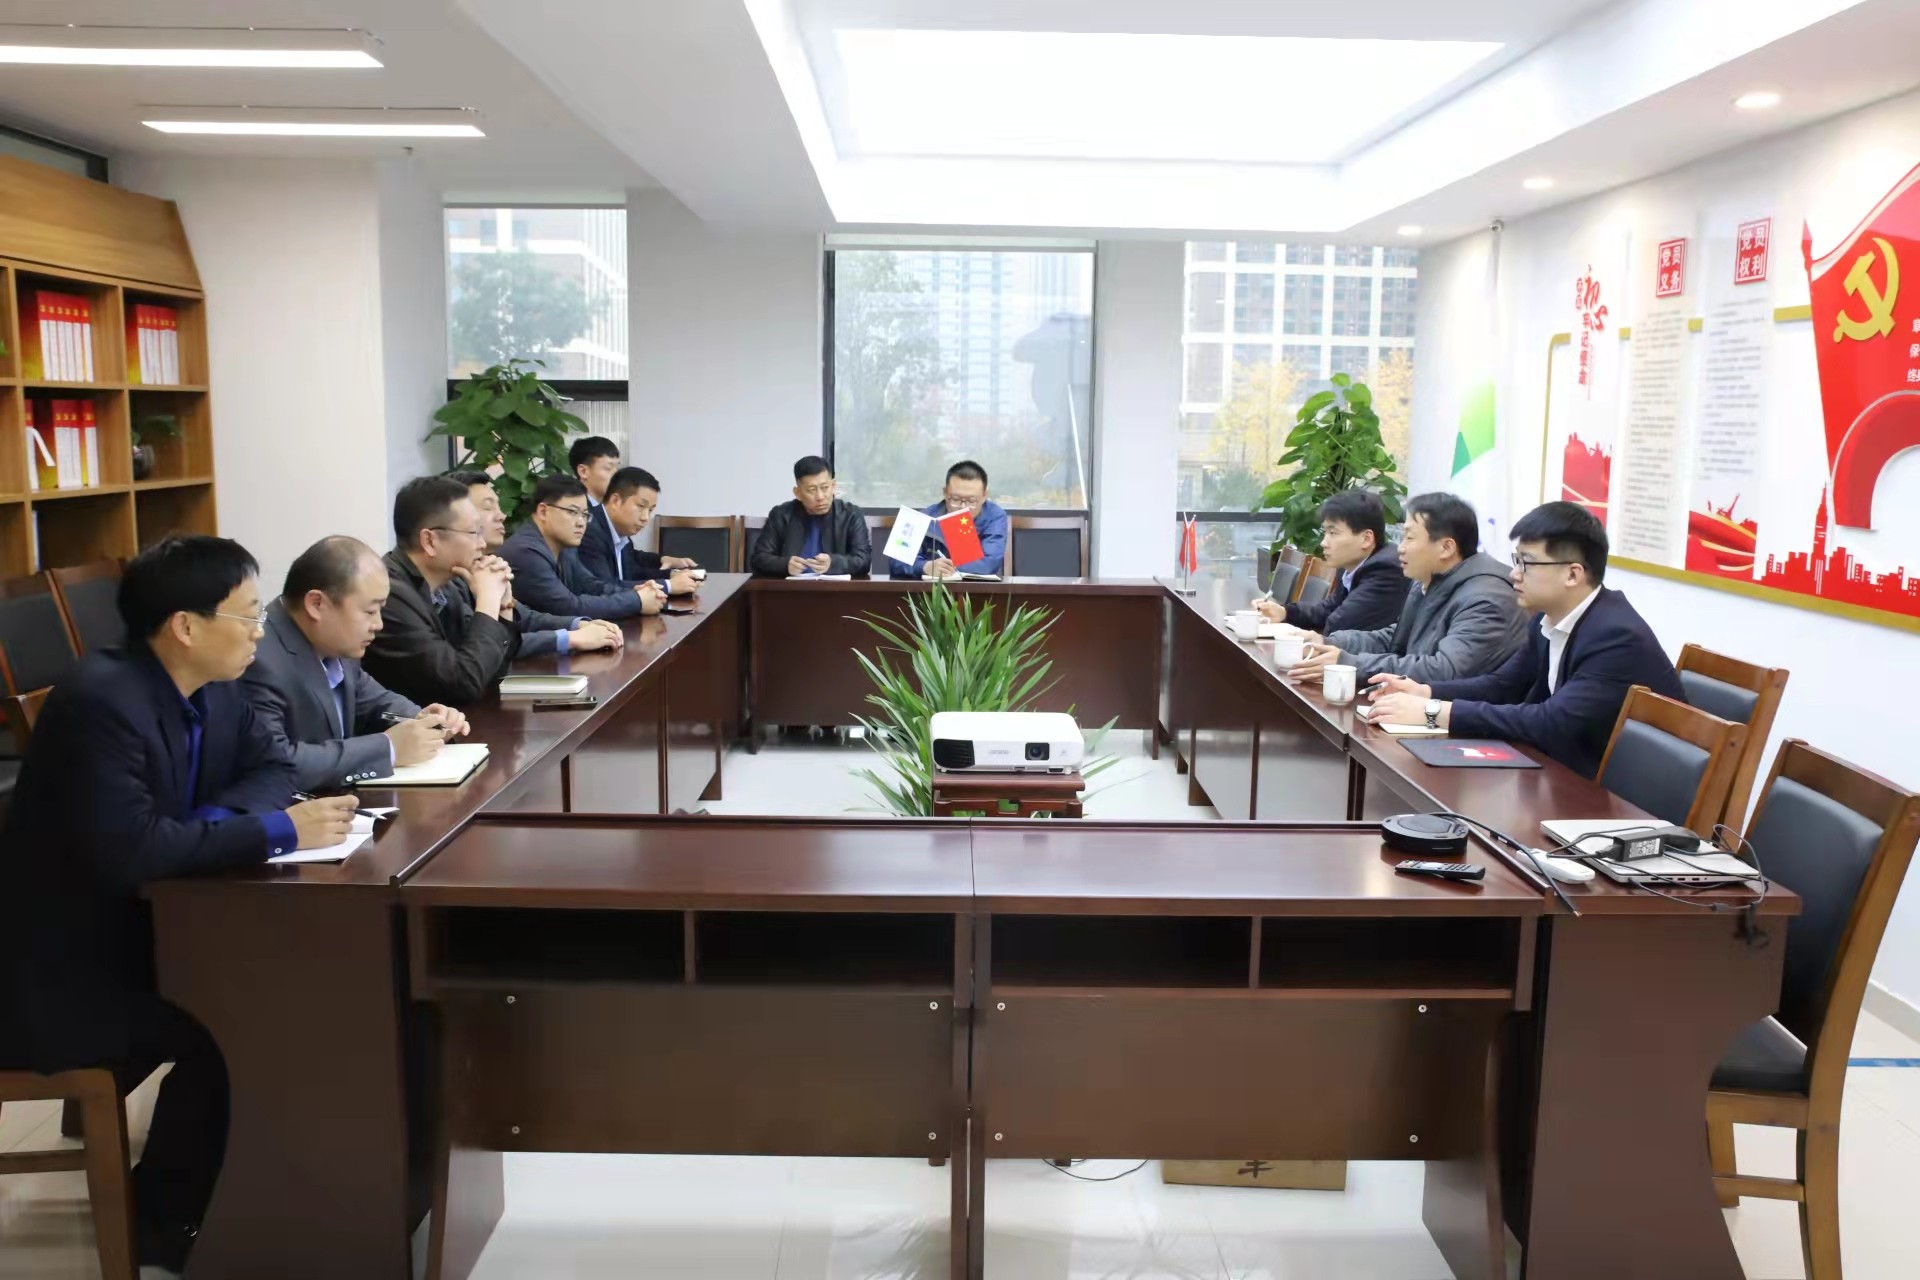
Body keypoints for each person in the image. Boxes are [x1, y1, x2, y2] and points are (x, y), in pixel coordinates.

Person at [0, 535, 358, 1277]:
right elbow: (133, 850)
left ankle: (277, 1195)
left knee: (289, 993)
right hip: (60, 972)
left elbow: (274, 766)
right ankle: (165, 1222)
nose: (260, 632)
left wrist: (206, 828)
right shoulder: (100, 702)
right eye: (248, 615)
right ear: (185, 626)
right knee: (234, 1024)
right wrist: (274, 831)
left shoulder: (218, 683)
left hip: (149, 929)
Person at [1366, 501, 1687, 779]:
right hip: (1562, 771)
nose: (1514, 574)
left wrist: (1433, 711)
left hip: (1617, 799)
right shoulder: (1547, 620)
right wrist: (1424, 691)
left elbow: (1551, 721)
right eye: (1515, 560)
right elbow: (1504, 685)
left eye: (1526, 563)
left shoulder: (1615, 637)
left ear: (1573, 574)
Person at [363, 477, 621, 706]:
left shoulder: (450, 581)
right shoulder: (390, 596)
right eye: (474, 532)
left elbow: (493, 668)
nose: (482, 543)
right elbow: (463, 682)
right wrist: (487, 601)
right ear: (430, 541)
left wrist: (504, 607)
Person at [240, 535, 471, 791]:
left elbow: (375, 702)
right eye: (370, 611)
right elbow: (278, 763)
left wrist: (423, 721)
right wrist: (389, 748)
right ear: (317, 604)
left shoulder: (333, 641)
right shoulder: (257, 657)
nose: (379, 624)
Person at [1285, 492, 1528, 684]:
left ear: (1446, 548)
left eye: (1409, 538)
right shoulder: (1429, 580)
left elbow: (1446, 670)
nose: (1400, 548)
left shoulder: (1486, 599)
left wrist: (1350, 663)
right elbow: (1396, 638)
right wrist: (1330, 643)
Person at [449, 471, 625, 659]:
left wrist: (578, 625)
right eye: (487, 507)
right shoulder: (521, 552)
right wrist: (570, 637)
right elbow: (482, 647)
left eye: (584, 514)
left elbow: (524, 617)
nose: (502, 515)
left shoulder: (482, 565)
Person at [500, 475, 665, 620]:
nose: (581, 522)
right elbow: (568, 607)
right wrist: (636, 600)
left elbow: (590, 585)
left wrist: (635, 593)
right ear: (543, 511)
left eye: (585, 514)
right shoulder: (525, 552)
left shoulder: (564, 546)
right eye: (573, 512)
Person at [1257, 488, 1409, 634]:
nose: (1324, 543)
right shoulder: (1352, 563)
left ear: (1366, 539)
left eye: (1333, 533)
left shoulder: (1386, 570)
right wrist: (1284, 612)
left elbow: (1339, 625)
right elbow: (1328, 609)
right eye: (1325, 532)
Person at [577, 465, 700, 594]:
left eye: (650, 510)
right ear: (615, 501)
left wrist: (672, 574)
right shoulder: (589, 531)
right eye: (641, 506)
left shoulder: (621, 532)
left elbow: (633, 572)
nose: (645, 517)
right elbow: (605, 587)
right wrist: (668, 586)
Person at [750, 455, 872, 577]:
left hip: (835, 587)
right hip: (791, 587)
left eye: (825, 488)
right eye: (812, 490)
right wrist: (785, 565)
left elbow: (863, 561)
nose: (820, 497)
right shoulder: (781, 515)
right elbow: (759, 559)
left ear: (833, 486)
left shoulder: (851, 515)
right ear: (798, 493)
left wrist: (833, 564)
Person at [888, 460, 1009, 580]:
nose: (963, 507)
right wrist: (925, 566)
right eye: (955, 499)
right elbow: (896, 561)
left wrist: (945, 567)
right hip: (929, 589)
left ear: (984, 496)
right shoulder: (923, 517)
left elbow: (988, 564)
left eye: (971, 501)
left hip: (976, 589)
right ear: (945, 493)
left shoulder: (995, 517)